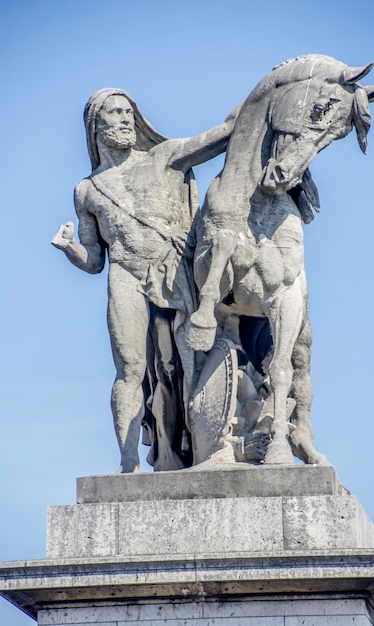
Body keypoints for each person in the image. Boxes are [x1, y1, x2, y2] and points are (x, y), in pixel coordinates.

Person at [52, 88, 238, 472]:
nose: (124, 119)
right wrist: (71, 248)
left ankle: (201, 446)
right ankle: (127, 461)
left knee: (190, 363)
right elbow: (94, 261)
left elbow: (218, 138)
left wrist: (259, 105)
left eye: (128, 112)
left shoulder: (163, 157)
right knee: (130, 369)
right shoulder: (87, 190)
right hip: (125, 276)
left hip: (174, 270)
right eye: (115, 113)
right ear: (95, 126)